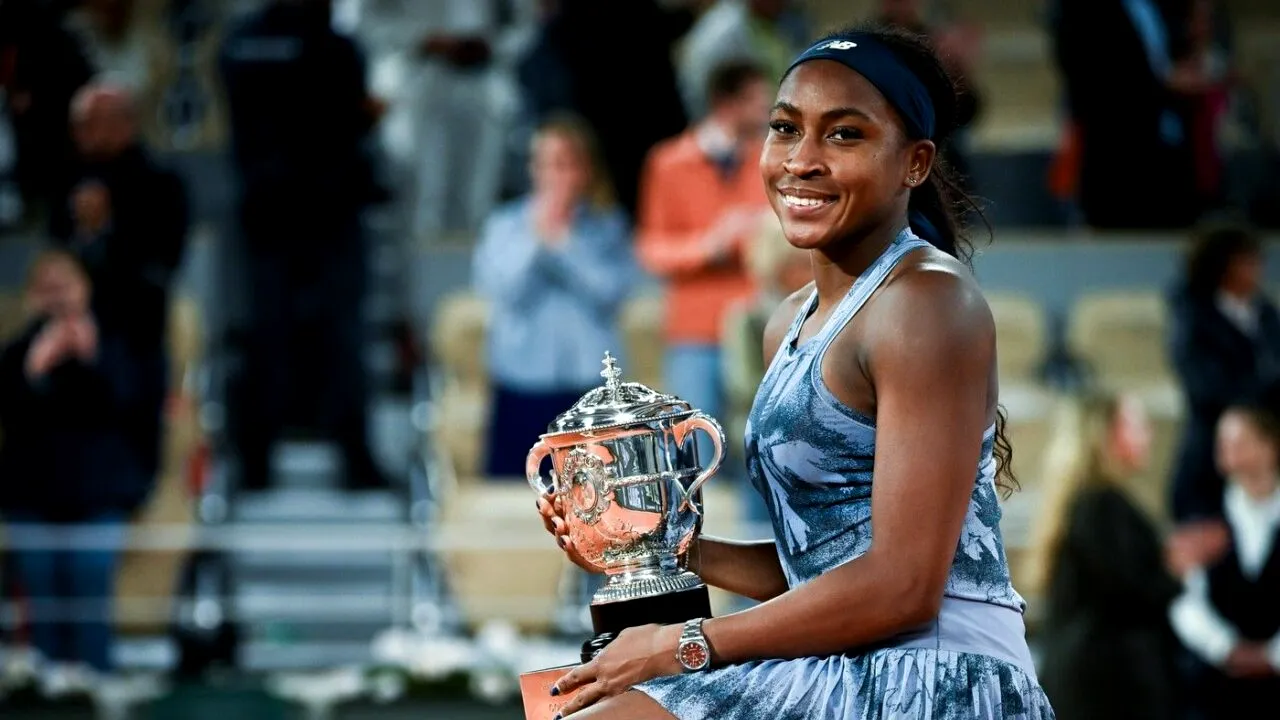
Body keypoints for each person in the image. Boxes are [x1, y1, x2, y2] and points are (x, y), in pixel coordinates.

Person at [536, 25, 1054, 718]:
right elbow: (828, 573)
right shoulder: (789, 320)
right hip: (850, 660)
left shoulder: (927, 303)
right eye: (785, 129)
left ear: (916, 163)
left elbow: (903, 586)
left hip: (936, 678)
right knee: (562, 705)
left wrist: (681, 645)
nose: (801, 160)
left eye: (844, 135)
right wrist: (669, 549)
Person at [0, 250, 155, 694]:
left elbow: (131, 406)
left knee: (89, 591)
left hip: (97, 496)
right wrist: (35, 369)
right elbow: (12, 416)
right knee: (41, 601)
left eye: (65, 285)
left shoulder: (116, 345)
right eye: (46, 288)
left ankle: (97, 688)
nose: (57, 298)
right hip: (32, 497)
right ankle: (43, 695)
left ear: (86, 290)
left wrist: (92, 359)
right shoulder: (17, 352)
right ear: (31, 296)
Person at [472, 113, 634, 477]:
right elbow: (503, 291)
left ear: (584, 170)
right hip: (521, 382)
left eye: (565, 165)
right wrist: (536, 241)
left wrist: (563, 245)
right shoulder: (505, 225)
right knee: (514, 495)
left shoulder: (608, 226)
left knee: (595, 501)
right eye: (546, 164)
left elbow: (610, 293)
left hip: (588, 388)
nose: (555, 176)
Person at [637, 59, 773, 436]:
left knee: (760, 446)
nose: (767, 113)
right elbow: (651, 248)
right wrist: (708, 246)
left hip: (755, 324)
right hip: (694, 333)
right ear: (726, 104)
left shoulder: (771, 160)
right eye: (758, 103)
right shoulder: (668, 163)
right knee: (691, 445)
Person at [1028, 391, 1183, 720]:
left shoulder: (1093, 503)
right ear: (1105, 434)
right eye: (1137, 424)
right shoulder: (1098, 506)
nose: (1149, 434)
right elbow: (1129, 589)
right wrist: (1176, 568)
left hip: (1100, 676)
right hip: (1106, 684)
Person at [1170, 405, 1280, 720]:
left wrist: (1272, 655)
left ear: (1269, 446)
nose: (1227, 452)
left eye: (1240, 442)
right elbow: (1184, 599)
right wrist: (1227, 648)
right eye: (1223, 442)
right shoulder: (1205, 516)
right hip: (1215, 691)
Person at [1168, 224, 1280, 522]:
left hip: (1269, 449)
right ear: (1223, 266)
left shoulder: (1265, 313)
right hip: (1211, 456)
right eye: (1247, 261)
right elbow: (1206, 385)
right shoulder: (1191, 318)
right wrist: (1261, 398)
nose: (1257, 270)